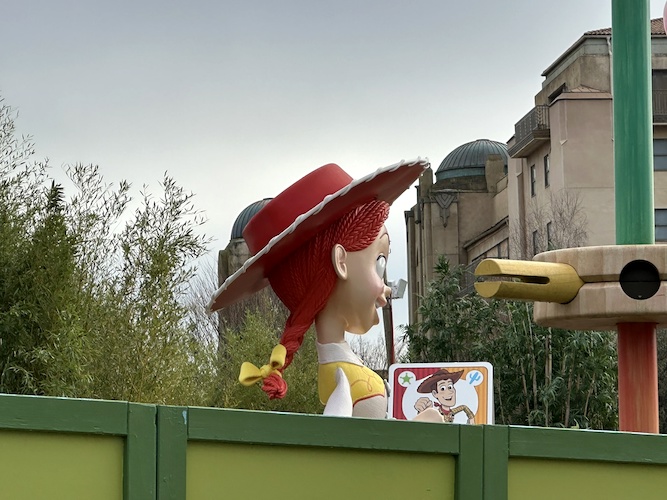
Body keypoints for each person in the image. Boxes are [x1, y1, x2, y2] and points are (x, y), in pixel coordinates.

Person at [208, 159, 429, 418]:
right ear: (341, 262)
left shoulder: (345, 369)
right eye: (379, 264)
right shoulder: (342, 376)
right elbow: (338, 435)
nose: (387, 289)